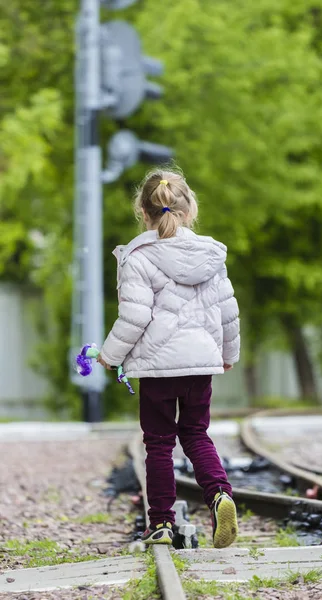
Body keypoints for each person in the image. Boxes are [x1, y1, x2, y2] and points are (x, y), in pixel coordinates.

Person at [98, 168, 240, 548]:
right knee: (196, 434)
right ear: (190, 210)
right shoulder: (211, 256)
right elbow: (227, 311)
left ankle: (161, 523)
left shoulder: (138, 257)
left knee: (159, 443)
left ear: (143, 213)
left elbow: (135, 316)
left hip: (158, 369)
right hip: (200, 365)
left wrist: (110, 356)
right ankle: (220, 495)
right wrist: (228, 354)